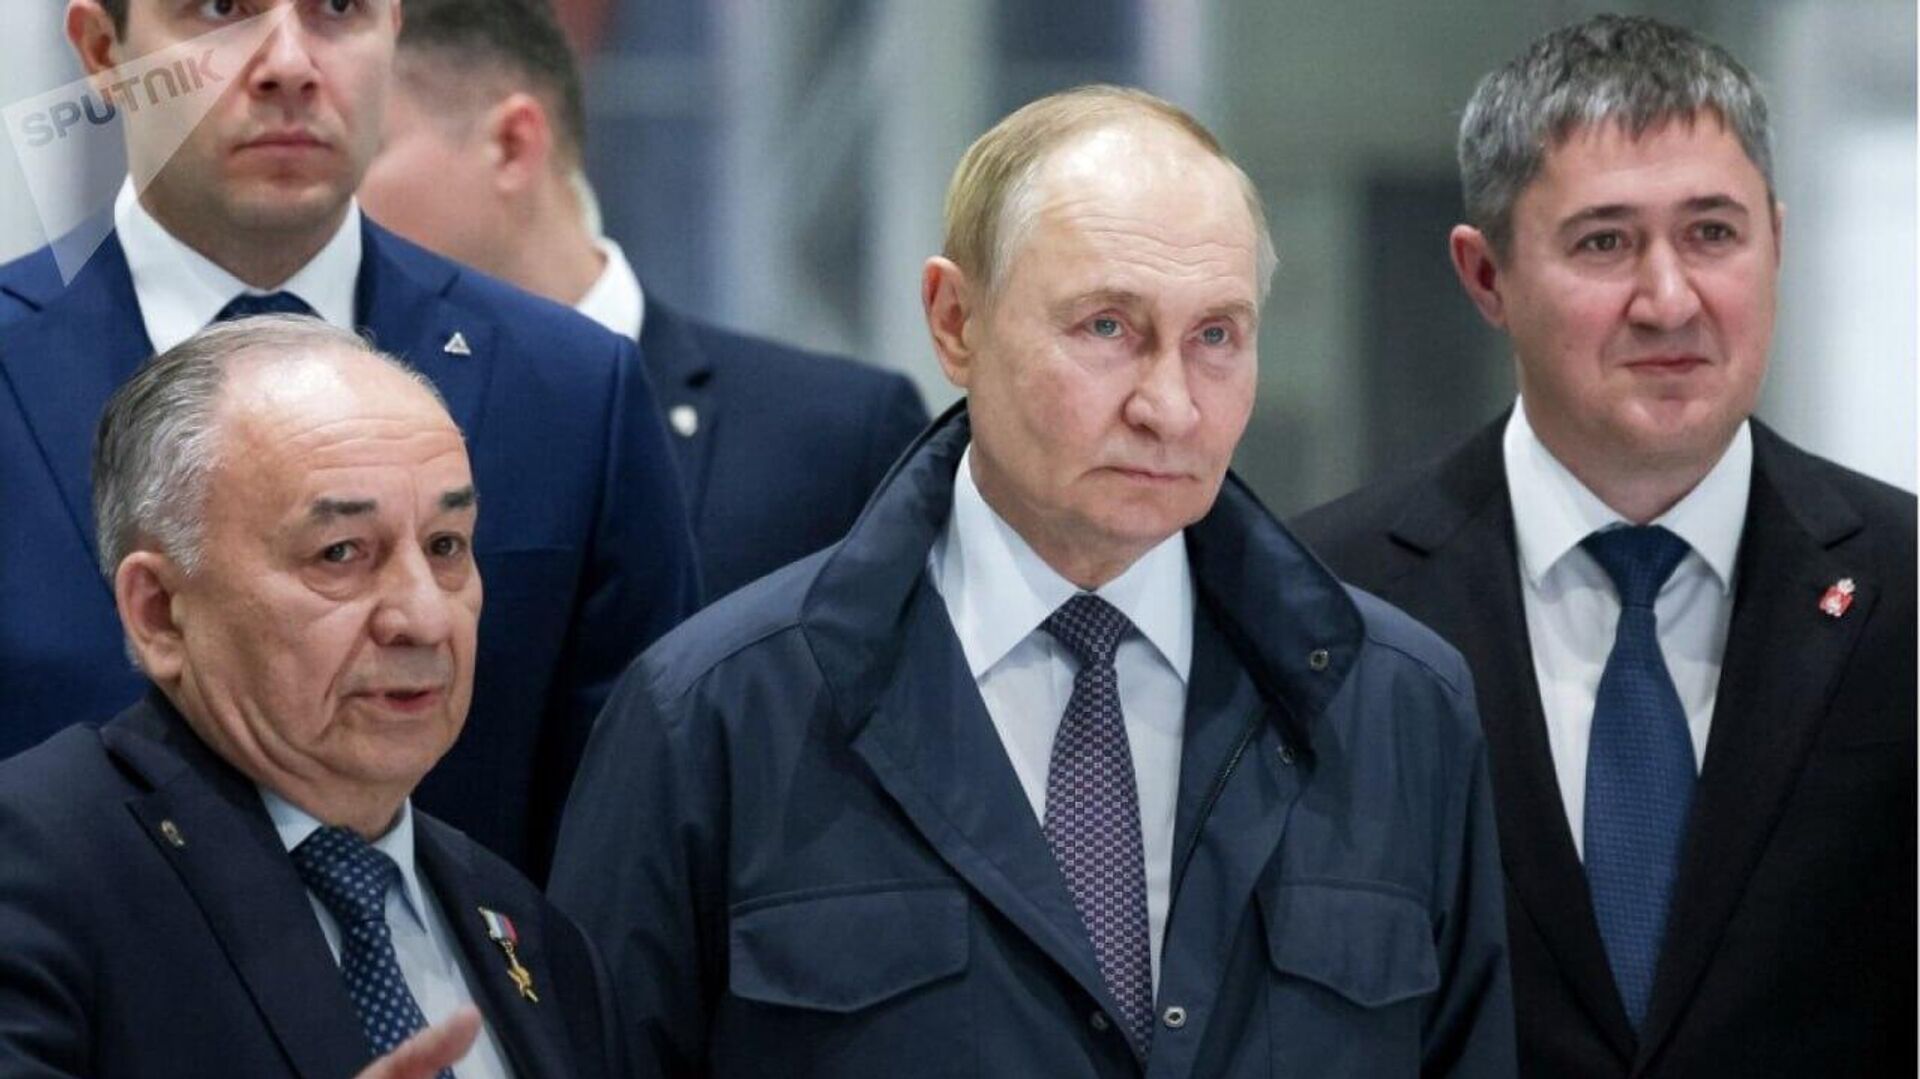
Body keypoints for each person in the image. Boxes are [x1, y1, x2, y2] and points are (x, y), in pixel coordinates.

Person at [550, 85, 1514, 1078]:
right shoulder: (719, 716)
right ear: (955, 321)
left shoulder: (1395, 707)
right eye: (1107, 327)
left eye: (1217, 336)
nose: (1170, 407)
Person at [1294, 16, 1915, 1078]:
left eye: (1712, 233)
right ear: (1486, 276)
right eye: (1604, 243)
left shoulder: (1907, 590)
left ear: (1777, 242)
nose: (1669, 300)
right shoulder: (1331, 606)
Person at [0, 0, 701, 881]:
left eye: (339, 9)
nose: (289, 64)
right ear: (105, 52)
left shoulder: (570, 390)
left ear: (393, 31)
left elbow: (641, 846)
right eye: (221, 10)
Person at [0, 317, 623, 1078]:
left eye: (446, 546)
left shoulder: (534, 932)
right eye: (341, 553)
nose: (425, 618)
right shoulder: (34, 867)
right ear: (160, 612)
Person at [357, 0, 929, 602]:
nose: (327, 193)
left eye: (361, 147)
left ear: (511, 145)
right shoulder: (322, 433)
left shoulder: (838, 439)